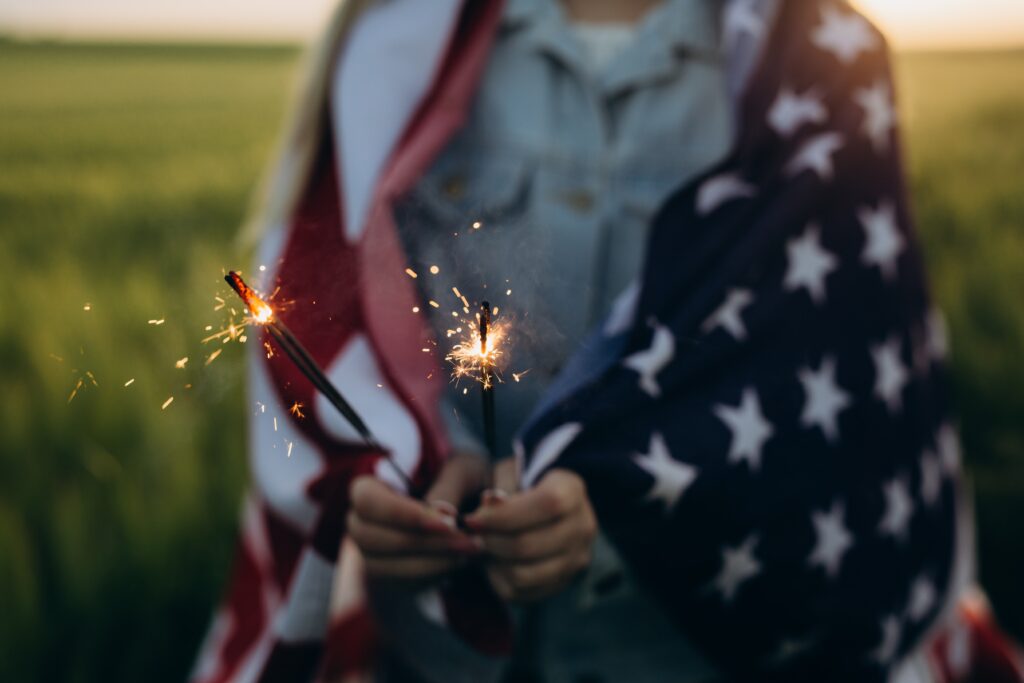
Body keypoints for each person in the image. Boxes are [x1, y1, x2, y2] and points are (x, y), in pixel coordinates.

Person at [192, 1, 1024, 682]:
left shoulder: (818, 68)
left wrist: (622, 503)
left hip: (688, 653)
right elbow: (334, 312)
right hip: (435, 659)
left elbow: (835, 399)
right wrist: (392, 473)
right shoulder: (397, 49)